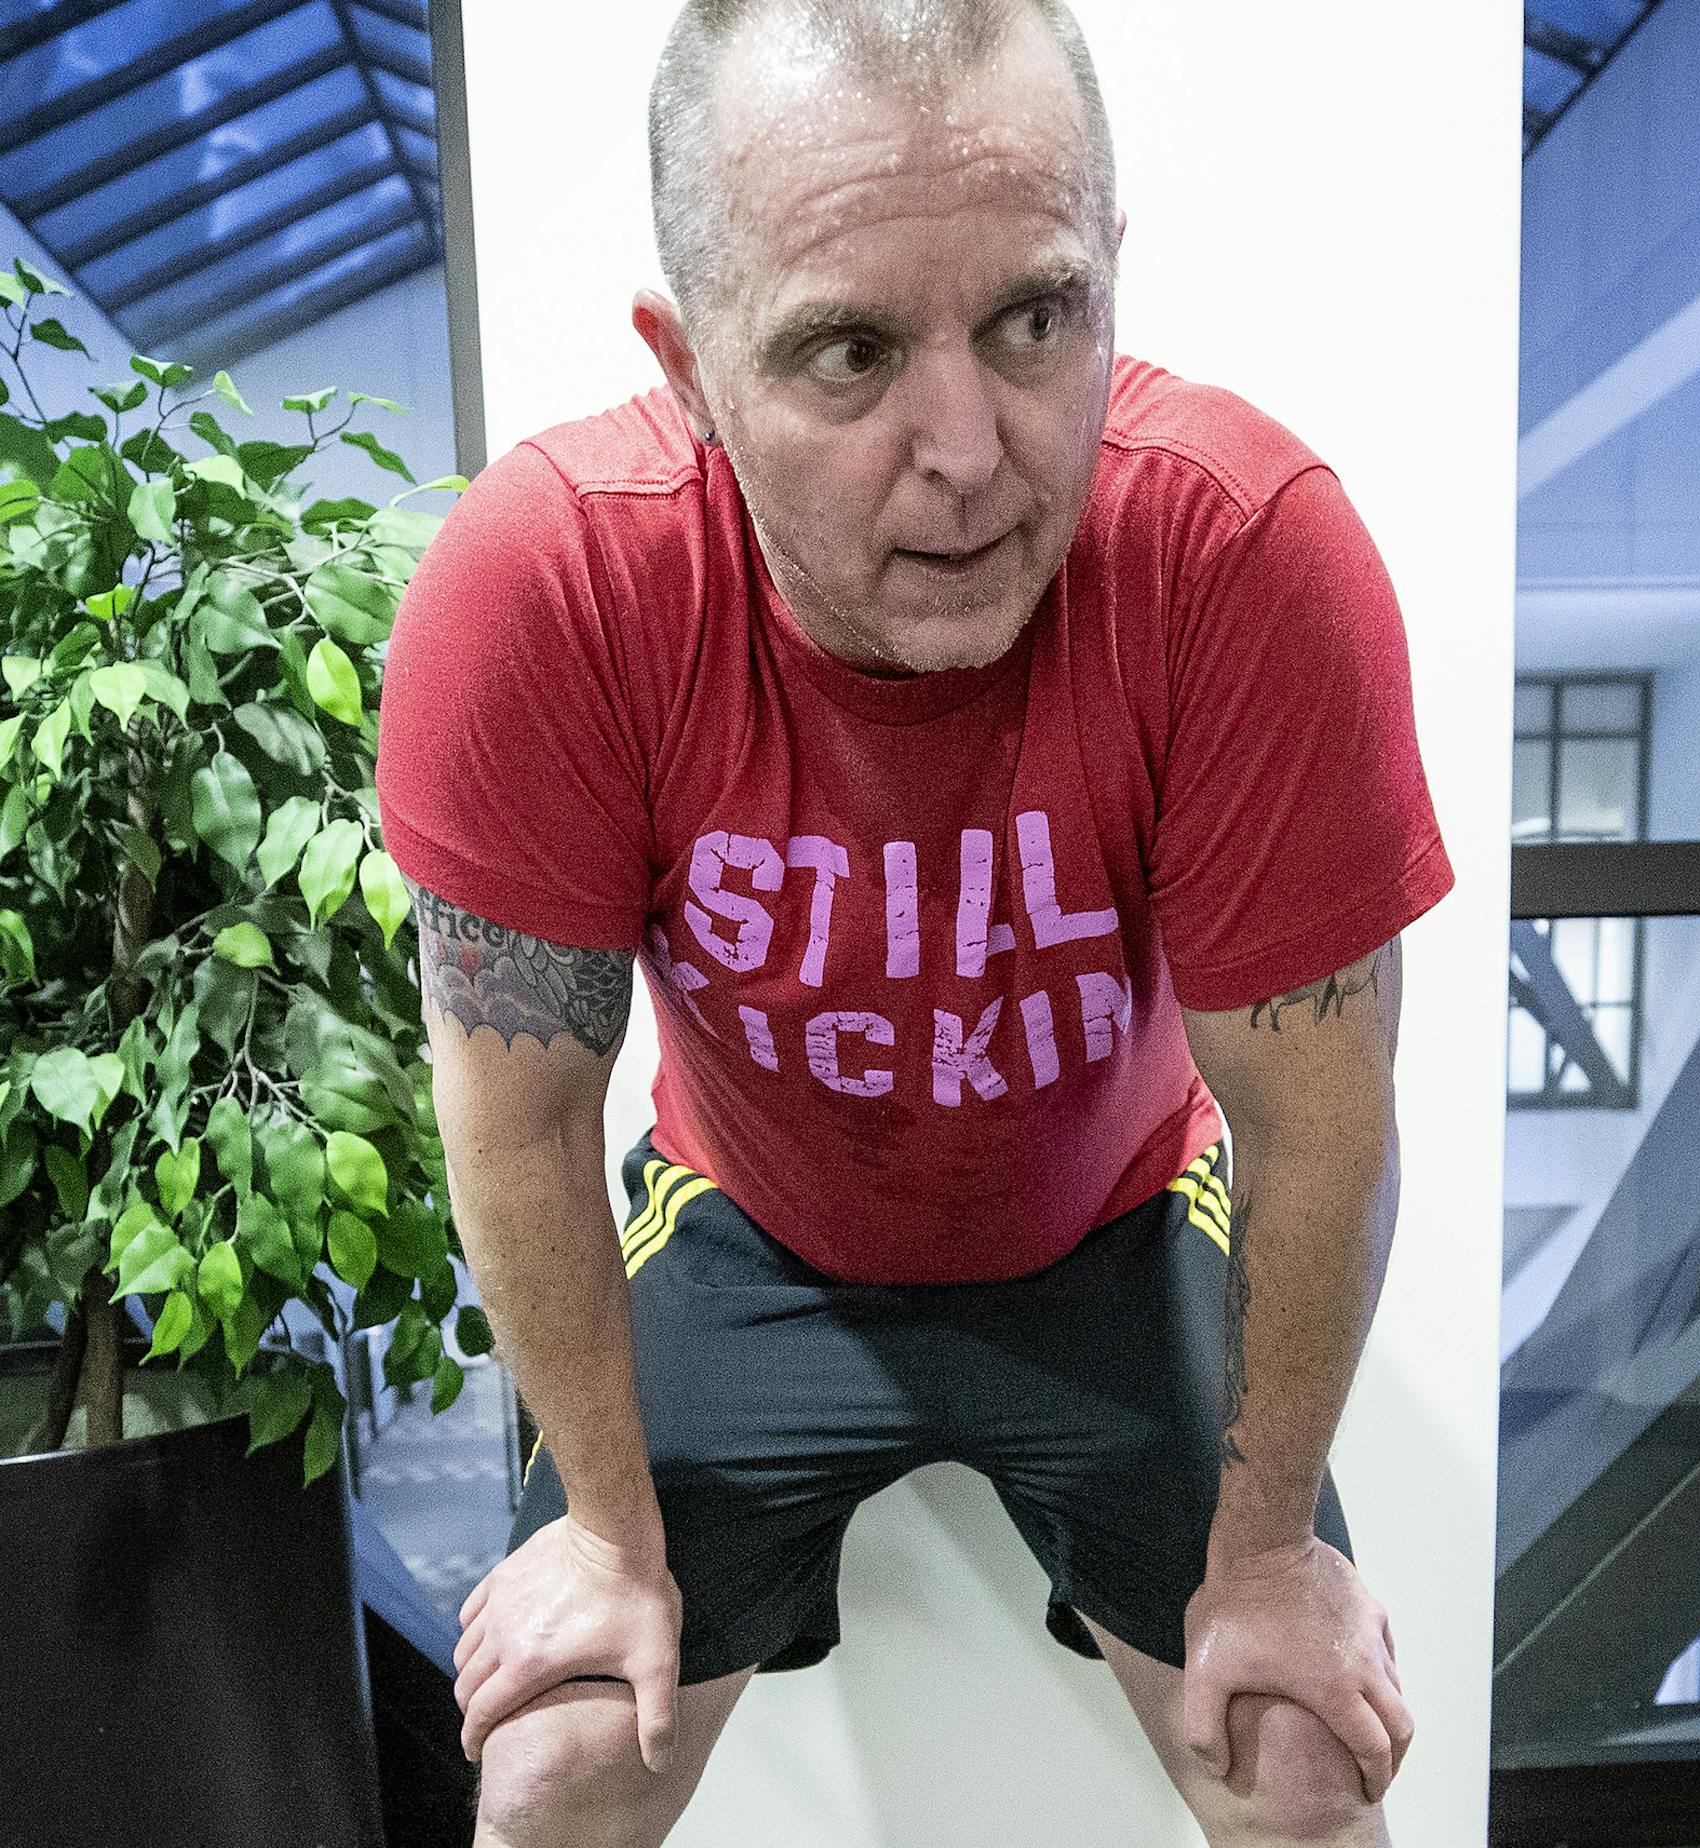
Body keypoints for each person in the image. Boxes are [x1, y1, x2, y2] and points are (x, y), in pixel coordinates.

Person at [374, 0, 1455, 1841]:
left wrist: (1267, 1550)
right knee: (554, 1756)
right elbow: (518, 1124)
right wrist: (610, 1539)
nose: (968, 450)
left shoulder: (1243, 558)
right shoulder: (546, 592)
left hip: (1119, 1228)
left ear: (1111, 272)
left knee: (1300, 1760)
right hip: (752, 1227)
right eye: (850, 354)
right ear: (689, 364)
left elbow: (1319, 1123)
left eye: (1035, 320)